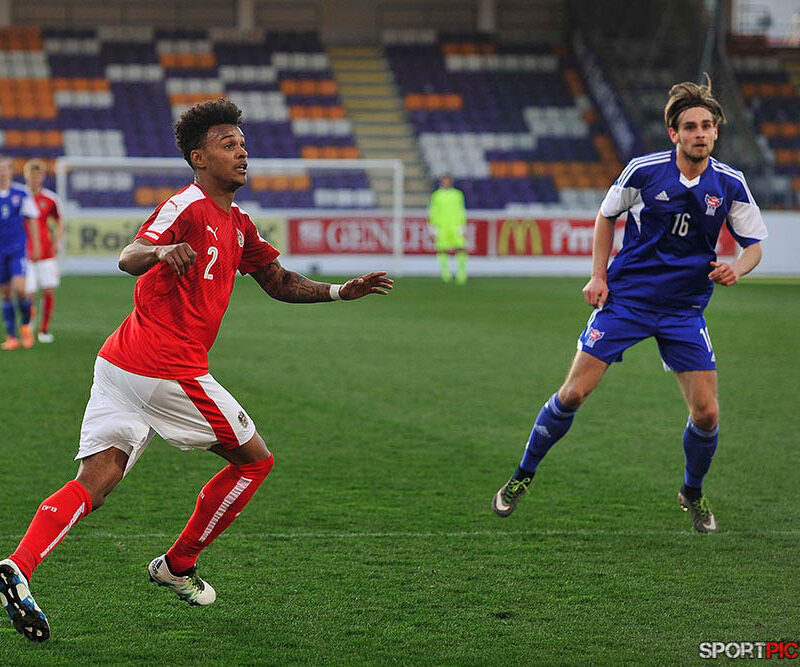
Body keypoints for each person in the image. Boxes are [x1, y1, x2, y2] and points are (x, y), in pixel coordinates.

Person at [0, 99, 393, 643]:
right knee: (254, 461)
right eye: (229, 144)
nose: (242, 152)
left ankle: (19, 567)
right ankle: (178, 564)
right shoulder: (185, 204)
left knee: (98, 478)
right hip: (167, 369)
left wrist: (336, 290)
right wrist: (162, 255)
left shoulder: (238, 223)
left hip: (120, 364)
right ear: (199, 157)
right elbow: (130, 254)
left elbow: (277, 282)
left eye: (243, 144)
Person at [491, 77, 767, 533]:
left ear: (716, 132)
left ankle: (692, 492)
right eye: (691, 126)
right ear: (674, 134)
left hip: (684, 309)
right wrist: (598, 275)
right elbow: (605, 215)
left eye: (707, 126)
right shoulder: (643, 170)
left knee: (708, 413)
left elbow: (754, 245)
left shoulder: (730, 184)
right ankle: (523, 475)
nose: (700, 133)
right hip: (628, 300)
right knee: (573, 393)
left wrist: (740, 265)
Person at [0, 156, 39, 350]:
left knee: (21, 289)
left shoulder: (21, 193)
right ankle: (11, 336)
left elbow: (32, 219)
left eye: (5, 169)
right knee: (5, 294)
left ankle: (25, 326)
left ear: (10, 171)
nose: (2, 172)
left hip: (16, 250)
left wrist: (36, 245)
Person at [23, 159, 64, 343]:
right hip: (24, 253)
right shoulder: (21, 197)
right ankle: (29, 323)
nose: (35, 178)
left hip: (47, 253)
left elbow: (59, 221)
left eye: (38, 175)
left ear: (43, 177)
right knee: (28, 292)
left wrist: (56, 241)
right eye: (32, 175)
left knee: (48, 290)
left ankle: (44, 330)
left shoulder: (50, 199)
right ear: (26, 176)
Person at [428, 175, 468, 284]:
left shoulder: (457, 194)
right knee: (442, 250)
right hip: (442, 227)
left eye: (447, 181)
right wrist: (432, 228)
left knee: (460, 248)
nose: (446, 183)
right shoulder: (436, 195)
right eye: (444, 181)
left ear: (451, 182)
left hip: (455, 226)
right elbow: (432, 212)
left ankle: (461, 275)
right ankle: (445, 274)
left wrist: (463, 226)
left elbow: (461, 210)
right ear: (441, 182)